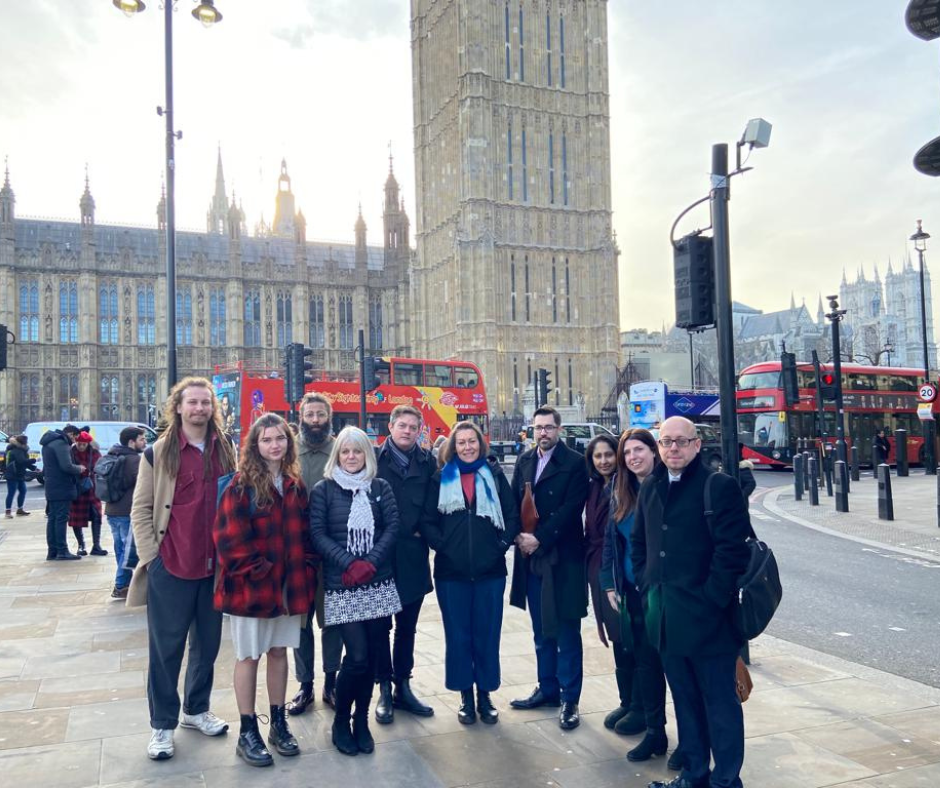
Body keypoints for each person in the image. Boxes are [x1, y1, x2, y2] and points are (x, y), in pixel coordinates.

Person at [632, 417, 751, 788]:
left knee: (720, 705)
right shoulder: (651, 486)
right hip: (666, 617)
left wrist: (711, 599)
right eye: (666, 442)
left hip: (709, 619)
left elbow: (732, 552)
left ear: (697, 445)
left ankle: (726, 780)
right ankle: (694, 774)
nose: (673, 449)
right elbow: (640, 545)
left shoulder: (719, 486)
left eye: (681, 442)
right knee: (685, 703)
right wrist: (646, 584)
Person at [128, 376, 238, 761]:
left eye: (205, 403)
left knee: (207, 648)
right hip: (171, 567)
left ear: (213, 408)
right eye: (192, 402)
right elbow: (141, 509)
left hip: (214, 568)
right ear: (178, 406)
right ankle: (162, 725)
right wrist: (151, 560)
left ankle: (195, 709)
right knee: (166, 651)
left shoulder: (225, 449)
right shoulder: (158, 453)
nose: (199, 409)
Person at [214, 413, 318, 767]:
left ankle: (278, 723)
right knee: (248, 657)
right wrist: (261, 571)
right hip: (252, 590)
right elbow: (229, 540)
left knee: (279, 654)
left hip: (289, 589)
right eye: (267, 440)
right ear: (255, 446)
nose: (275, 445)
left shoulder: (293, 484)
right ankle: (247, 730)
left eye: (280, 439)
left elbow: (304, 535)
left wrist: (304, 567)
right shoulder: (241, 485)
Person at [310, 427, 401, 757]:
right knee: (358, 658)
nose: (351, 457)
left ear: (367, 455)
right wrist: (349, 563)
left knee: (374, 656)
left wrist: (370, 563)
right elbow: (318, 534)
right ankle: (340, 723)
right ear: (337, 455)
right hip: (342, 584)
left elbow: (392, 527)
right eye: (345, 451)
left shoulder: (380, 487)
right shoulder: (324, 490)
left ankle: (361, 722)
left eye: (358, 451)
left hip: (377, 582)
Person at [423, 420, 520, 724]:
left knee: (487, 635)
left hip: (490, 571)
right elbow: (427, 521)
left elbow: (512, 514)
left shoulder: (493, 474)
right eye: (461, 442)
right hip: (452, 573)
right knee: (459, 635)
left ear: (480, 444)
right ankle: (465, 695)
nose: (467, 447)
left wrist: (500, 545)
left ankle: (485, 695)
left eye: (472, 441)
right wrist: (445, 546)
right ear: (454, 446)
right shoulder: (441, 478)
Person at [601, 429, 679, 767]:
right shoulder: (620, 492)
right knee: (646, 666)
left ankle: (690, 741)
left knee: (676, 668)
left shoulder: (669, 486)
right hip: (634, 593)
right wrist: (609, 583)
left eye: (640, 450)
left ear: (654, 450)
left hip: (667, 594)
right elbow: (610, 543)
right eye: (627, 452)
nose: (633, 457)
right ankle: (655, 732)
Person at [509, 406, 589, 730]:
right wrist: (518, 535)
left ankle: (570, 698)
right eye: (538, 427)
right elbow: (513, 501)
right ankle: (548, 688)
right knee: (541, 629)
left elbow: (572, 509)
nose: (543, 433)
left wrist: (538, 539)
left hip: (563, 557)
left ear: (559, 429)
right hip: (532, 558)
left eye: (549, 427)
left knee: (567, 631)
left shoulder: (574, 463)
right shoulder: (525, 461)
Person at [373, 405, 436, 723]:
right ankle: (383, 688)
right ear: (391, 426)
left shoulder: (428, 462)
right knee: (381, 627)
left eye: (413, 426)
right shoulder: (374, 459)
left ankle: (403, 686)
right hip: (381, 558)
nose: (407, 431)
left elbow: (433, 505)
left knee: (407, 628)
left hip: (412, 556)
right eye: (402, 425)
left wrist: (420, 528)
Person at [584, 434, 645, 736]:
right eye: (598, 456)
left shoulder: (626, 485)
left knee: (632, 639)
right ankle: (627, 700)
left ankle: (640, 706)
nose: (604, 460)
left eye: (609, 454)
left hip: (625, 573)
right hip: (605, 570)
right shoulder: (596, 486)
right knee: (618, 638)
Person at [288, 393, 344, 715]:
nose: (315, 420)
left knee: (332, 621)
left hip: (332, 552)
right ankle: (305, 684)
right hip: (297, 552)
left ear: (329, 416)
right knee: (300, 622)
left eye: (321, 414)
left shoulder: (339, 449)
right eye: (310, 414)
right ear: (301, 415)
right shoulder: (288, 449)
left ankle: (331, 682)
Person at [104, 427, 146, 599]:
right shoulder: (134, 459)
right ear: (131, 442)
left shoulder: (113, 453)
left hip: (111, 510)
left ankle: (124, 583)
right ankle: (121, 585)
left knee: (121, 550)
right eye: (142, 439)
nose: (144, 442)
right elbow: (143, 485)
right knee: (128, 552)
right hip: (126, 511)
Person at [41, 424, 85, 561]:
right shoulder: (61, 444)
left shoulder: (50, 443)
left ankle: (52, 551)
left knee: (53, 518)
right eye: (75, 437)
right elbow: (66, 466)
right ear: (71, 434)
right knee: (60, 518)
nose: (75, 441)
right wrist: (80, 468)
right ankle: (62, 550)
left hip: (52, 486)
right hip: (62, 487)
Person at [69, 431, 107, 556]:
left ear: (88, 444)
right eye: (79, 444)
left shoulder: (94, 453)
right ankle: (81, 545)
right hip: (77, 489)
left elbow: (100, 467)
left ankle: (96, 545)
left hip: (92, 489)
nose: (80, 446)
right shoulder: (71, 452)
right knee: (76, 519)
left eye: (83, 444)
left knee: (96, 516)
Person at [5, 435, 35, 518]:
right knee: (11, 493)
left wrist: (33, 468)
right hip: (13, 474)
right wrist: (33, 461)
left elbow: (23, 462)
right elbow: (21, 461)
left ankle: (20, 509)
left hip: (19, 474)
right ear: (23, 442)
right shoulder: (17, 450)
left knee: (23, 491)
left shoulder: (21, 450)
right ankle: (8, 512)